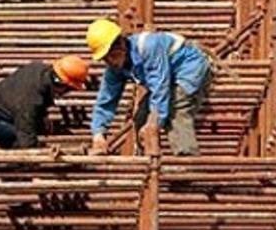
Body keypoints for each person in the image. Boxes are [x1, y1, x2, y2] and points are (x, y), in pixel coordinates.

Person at [85, 18, 213, 156]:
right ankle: (145, 160)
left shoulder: (148, 47)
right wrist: (98, 134)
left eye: (111, 55)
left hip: (190, 70)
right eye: (105, 58)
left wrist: (154, 124)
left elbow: (160, 88)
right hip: (167, 78)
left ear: (121, 44)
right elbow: (106, 100)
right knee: (141, 117)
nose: (110, 61)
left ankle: (188, 162)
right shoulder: (115, 68)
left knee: (175, 109)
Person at [0, 56, 90, 149]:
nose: (66, 94)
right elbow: (25, 133)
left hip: (7, 112)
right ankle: (18, 178)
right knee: (17, 141)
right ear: (61, 84)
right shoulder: (32, 98)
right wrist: (37, 156)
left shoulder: (42, 74)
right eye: (69, 89)